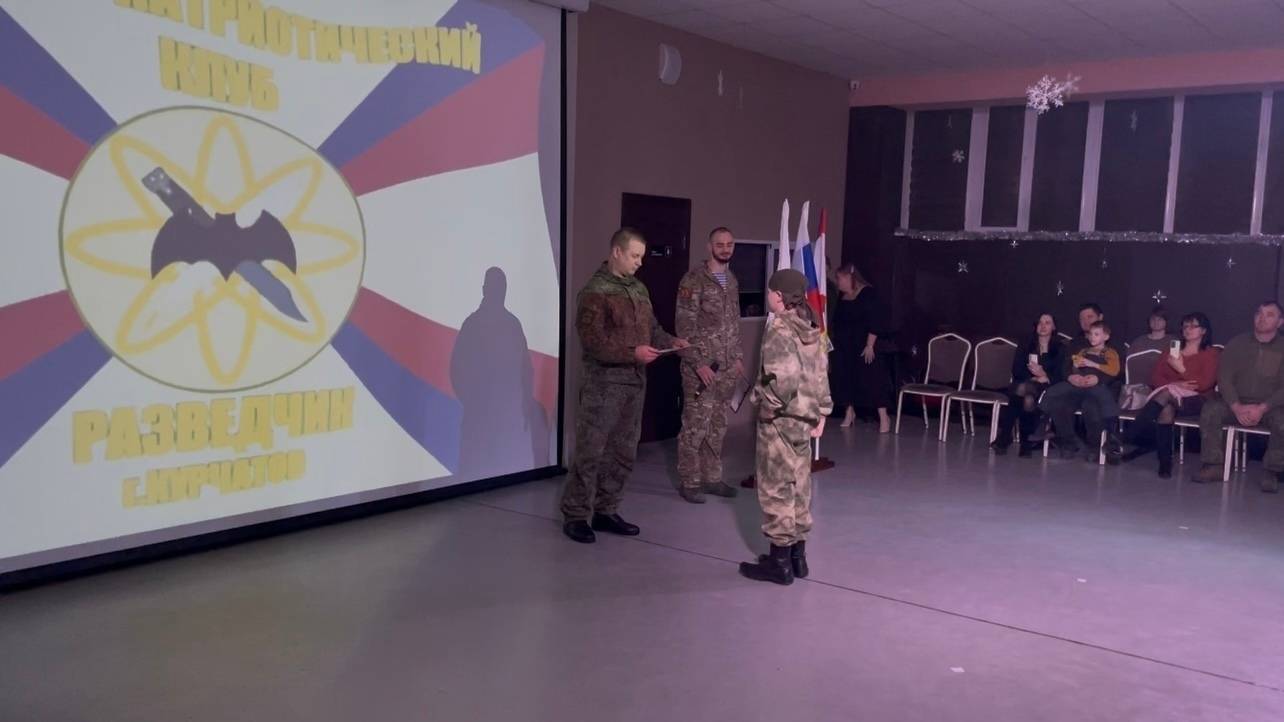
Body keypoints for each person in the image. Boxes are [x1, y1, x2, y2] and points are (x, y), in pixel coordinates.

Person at [561, 228, 689, 543]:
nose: (639, 263)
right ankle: (576, 514)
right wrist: (632, 353)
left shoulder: (638, 289)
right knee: (591, 452)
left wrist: (671, 342)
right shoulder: (595, 291)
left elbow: (652, 329)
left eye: (641, 257)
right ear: (616, 252)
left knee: (623, 452)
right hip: (603, 386)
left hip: (634, 385)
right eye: (634, 256)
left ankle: (606, 510)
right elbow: (593, 342)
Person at [739, 269, 832, 586]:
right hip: (804, 419)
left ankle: (779, 564)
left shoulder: (779, 328)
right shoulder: (810, 326)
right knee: (799, 487)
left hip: (780, 420)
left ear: (778, 296)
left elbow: (783, 381)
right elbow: (821, 372)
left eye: (769, 291)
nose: (767, 296)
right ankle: (797, 558)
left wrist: (765, 404)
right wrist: (822, 411)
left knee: (776, 489)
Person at [674, 227, 745, 504]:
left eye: (729, 244)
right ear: (709, 247)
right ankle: (690, 482)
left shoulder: (732, 279)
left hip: (726, 368)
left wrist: (737, 357)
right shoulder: (693, 280)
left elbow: (733, 323)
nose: (725, 249)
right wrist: (698, 363)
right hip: (702, 369)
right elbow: (684, 327)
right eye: (720, 244)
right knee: (695, 426)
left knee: (717, 426)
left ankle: (712, 478)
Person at [1196, 302, 1284, 491]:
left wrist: (1262, 408)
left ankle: (1273, 471)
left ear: (1280, 322)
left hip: (1271, 407)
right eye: (1259, 313)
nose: (1262, 318)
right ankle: (1213, 465)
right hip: (1236, 403)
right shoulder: (1237, 343)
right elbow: (1224, 378)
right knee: (1211, 410)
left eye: (1269, 315)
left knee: (1283, 421)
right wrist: (1236, 406)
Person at [1122, 312, 1218, 478]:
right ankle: (1164, 464)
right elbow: (1155, 378)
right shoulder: (1172, 350)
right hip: (1170, 397)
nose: (1188, 329)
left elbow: (1204, 384)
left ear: (1203, 330)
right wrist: (1175, 384)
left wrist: (1181, 369)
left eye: (1193, 326)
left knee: (1165, 395)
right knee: (1165, 408)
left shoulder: (1211, 353)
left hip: (1198, 401)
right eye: (1185, 326)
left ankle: (1126, 437)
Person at [1035, 312, 1124, 462]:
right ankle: (1043, 422)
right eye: (1091, 334)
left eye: (1096, 334)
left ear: (1106, 337)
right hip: (1079, 384)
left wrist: (1094, 367)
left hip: (1096, 385)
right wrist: (1075, 374)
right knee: (1054, 391)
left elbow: (1114, 370)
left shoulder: (1110, 352)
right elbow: (1071, 367)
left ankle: (1112, 435)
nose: (1092, 337)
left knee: (1103, 399)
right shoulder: (1083, 350)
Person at [829, 263, 893, 433]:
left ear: (849, 277)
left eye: (839, 278)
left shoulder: (868, 294)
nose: (838, 282)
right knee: (844, 378)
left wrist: (870, 345)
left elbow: (876, 319)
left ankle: (884, 417)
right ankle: (849, 412)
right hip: (844, 345)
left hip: (865, 344)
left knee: (873, 378)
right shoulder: (842, 297)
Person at [991, 312, 1063, 457]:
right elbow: (1016, 369)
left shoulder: (1060, 348)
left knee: (1022, 393)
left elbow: (1061, 374)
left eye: (1047, 323)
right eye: (1040, 323)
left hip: (1047, 387)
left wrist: (1045, 376)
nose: (1043, 326)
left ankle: (1004, 437)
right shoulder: (1026, 344)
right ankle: (1025, 444)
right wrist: (1034, 378)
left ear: (1054, 327)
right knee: (1027, 397)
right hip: (1025, 382)